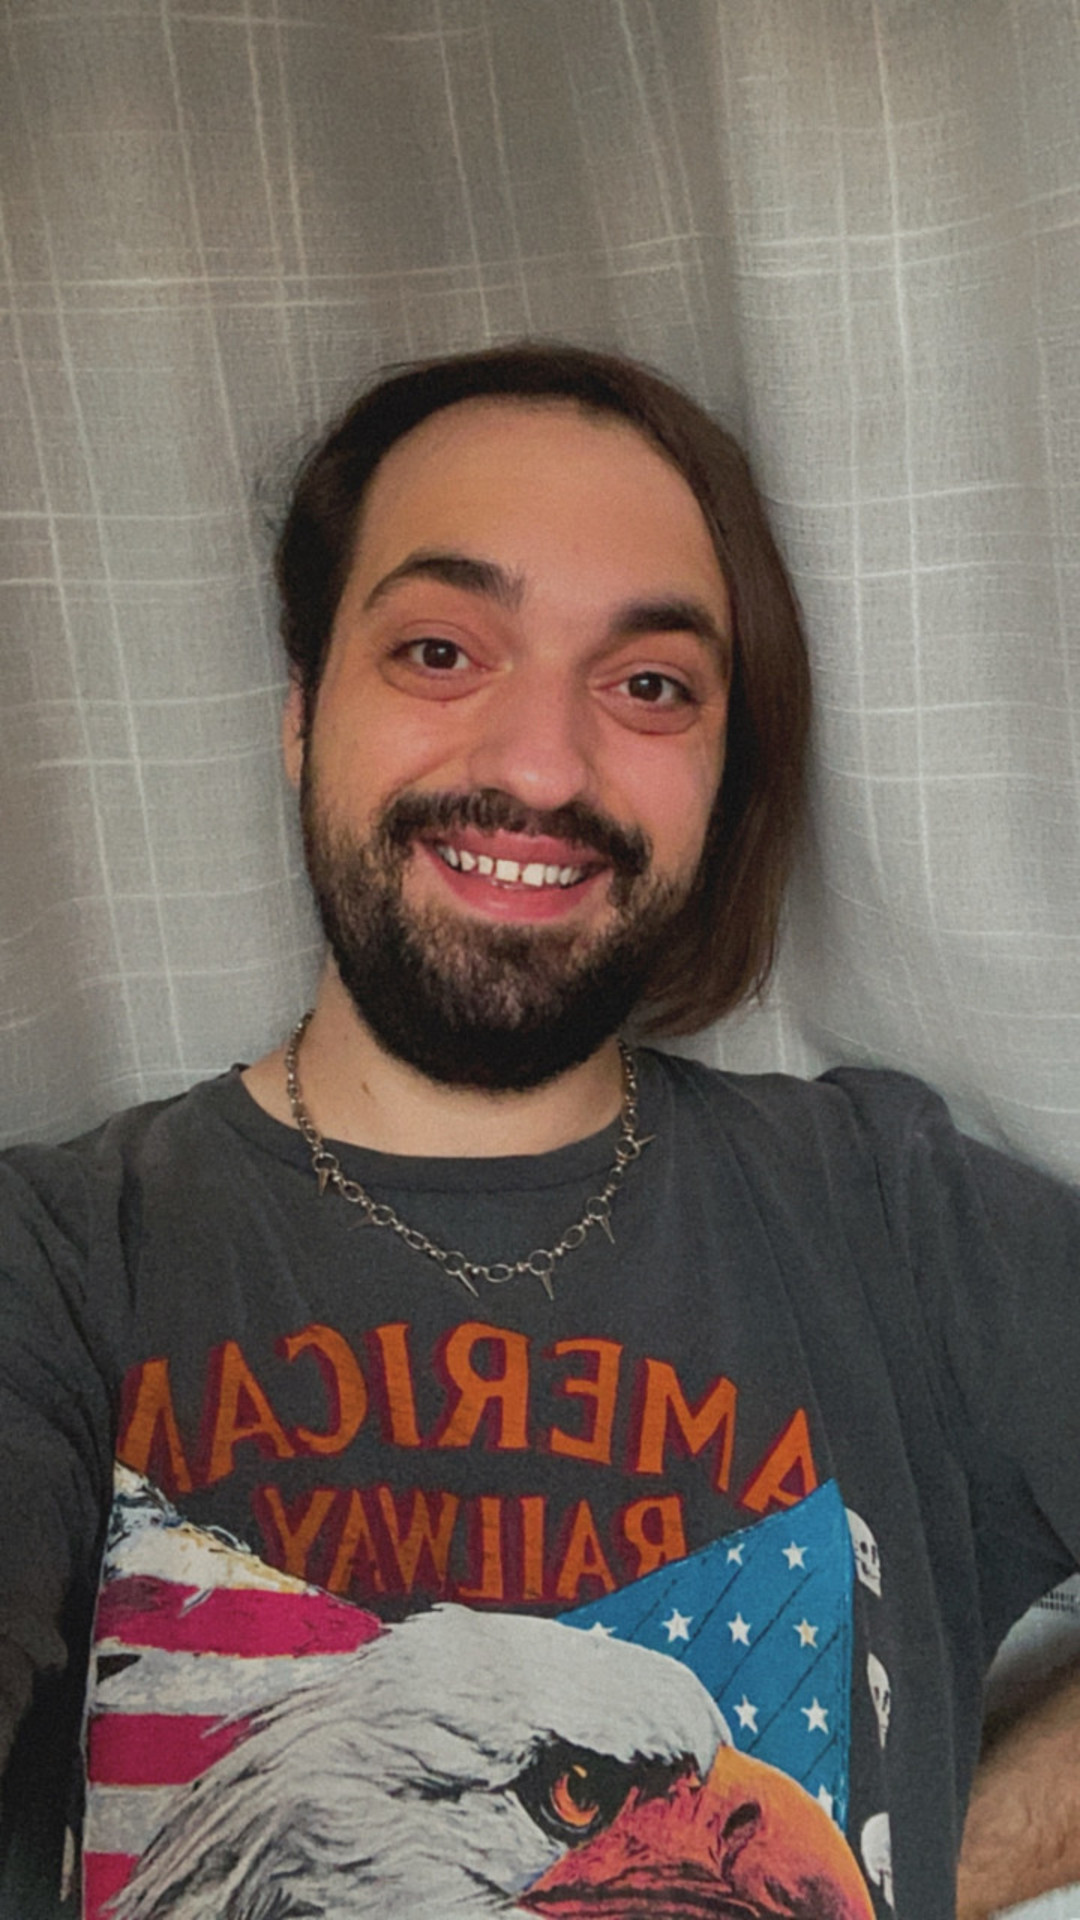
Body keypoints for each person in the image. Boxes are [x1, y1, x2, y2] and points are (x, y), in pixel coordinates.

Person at [1, 343, 1078, 1920]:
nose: (538, 766)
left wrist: (935, 1867)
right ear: (303, 713)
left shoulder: (898, 1225)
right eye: (441, 650)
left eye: (650, 686)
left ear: (725, 773)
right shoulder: (56, 1270)